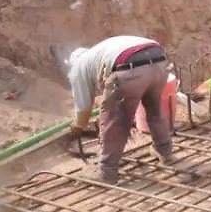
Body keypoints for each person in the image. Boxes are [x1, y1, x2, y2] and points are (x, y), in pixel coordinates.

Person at [67, 36, 177, 183]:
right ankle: (165, 151)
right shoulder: (98, 53)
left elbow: (83, 108)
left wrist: (78, 126)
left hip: (129, 67)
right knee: (154, 108)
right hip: (159, 60)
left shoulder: (77, 69)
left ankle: (107, 170)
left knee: (115, 118)